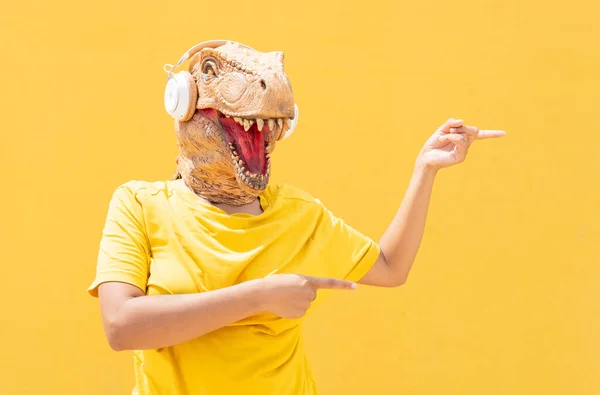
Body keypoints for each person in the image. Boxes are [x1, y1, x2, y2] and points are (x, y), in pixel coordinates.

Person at [87, 40, 505, 395]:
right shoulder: (139, 204)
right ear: (181, 100)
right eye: (213, 71)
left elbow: (391, 267)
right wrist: (259, 297)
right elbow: (121, 326)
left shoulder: (299, 213)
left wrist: (425, 169)